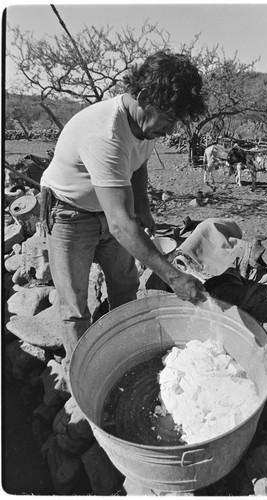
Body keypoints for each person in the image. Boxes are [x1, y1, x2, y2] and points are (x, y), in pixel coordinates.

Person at [40, 51, 207, 369]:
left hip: (107, 212)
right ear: (144, 96)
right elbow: (120, 224)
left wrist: (142, 206)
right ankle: (85, 377)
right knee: (74, 306)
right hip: (68, 215)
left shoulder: (144, 125)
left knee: (125, 285)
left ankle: (124, 354)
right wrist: (174, 277)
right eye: (169, 119)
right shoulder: (105, 133)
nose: (170, 131)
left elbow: (139, 161)